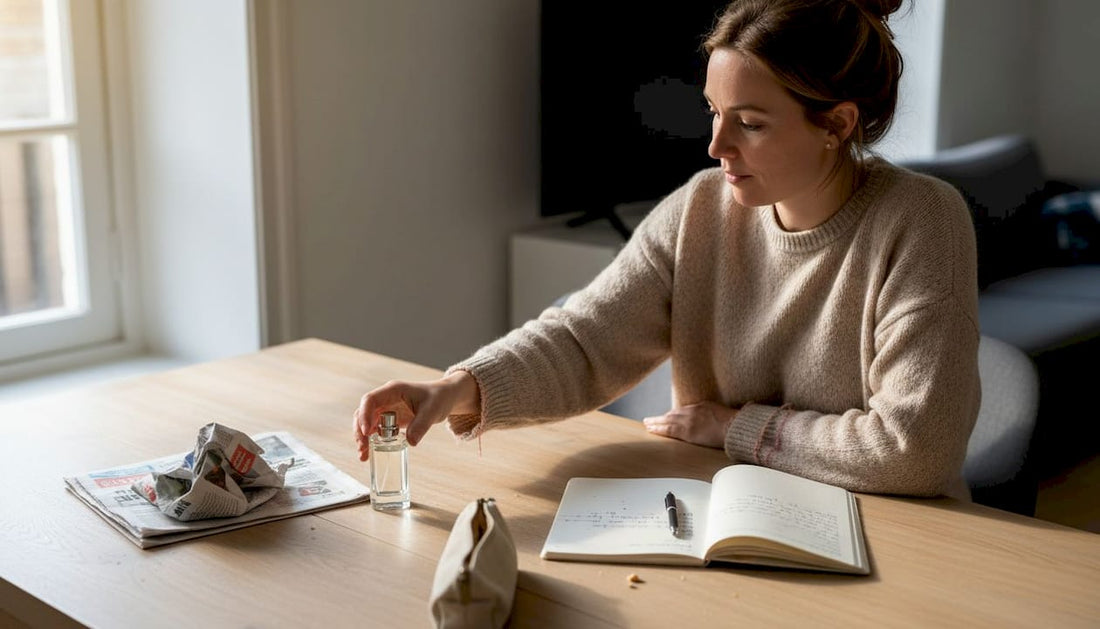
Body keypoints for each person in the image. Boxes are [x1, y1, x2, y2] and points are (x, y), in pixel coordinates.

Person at [354, 0, 981, 499]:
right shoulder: (702, 208)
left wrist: (735, 428)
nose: (717, 146)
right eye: (713, 111)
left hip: (894, 537)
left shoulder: (921, 219)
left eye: (750, 123)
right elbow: (585, 339)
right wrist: (451, 389)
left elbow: (914, 449)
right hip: (735, 512)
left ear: (837, 125)